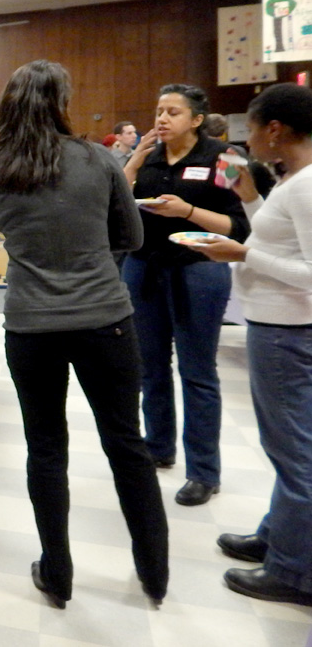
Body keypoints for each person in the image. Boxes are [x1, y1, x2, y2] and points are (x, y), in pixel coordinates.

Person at [0, 60, 168, 609]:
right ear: (62, 101)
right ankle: (154, 573)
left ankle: (58, 575)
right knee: (127, 444)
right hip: (106, 321)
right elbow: (133, 237)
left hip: (31, 327)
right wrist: (91, 255)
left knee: (46, 450)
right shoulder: (98, 158)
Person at [193, 83, 312, 607]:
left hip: (288, 332)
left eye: (254, 128)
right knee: (286, 444)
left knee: (295, 450)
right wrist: (251, 199)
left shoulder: (307, 184)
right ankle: (278, 536)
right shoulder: (291, 184)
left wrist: (242, 254)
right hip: (276, 326)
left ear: (275, 130)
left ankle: (295, 570)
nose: (248, 139)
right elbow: (281, 236)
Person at [122, 84, 250, 506]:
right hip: (145, 269)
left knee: (197, 372)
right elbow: (116, 206)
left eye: (173, 112)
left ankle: (204, 472)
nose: (161, 119)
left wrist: (189, 212)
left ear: (196, 119)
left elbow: (240, 225)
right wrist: (135, 160)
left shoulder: (227, 158)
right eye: (158, 111)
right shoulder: (149, 156)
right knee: (151, 367)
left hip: (199, 271)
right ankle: (158, 447)